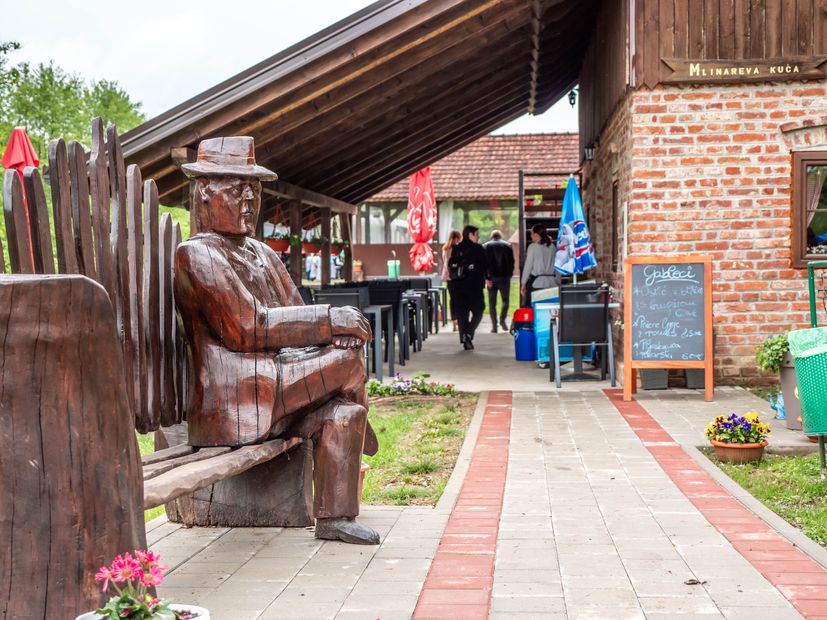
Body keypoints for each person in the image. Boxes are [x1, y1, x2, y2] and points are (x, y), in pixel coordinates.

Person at [174, 136, 379, 545]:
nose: (249, 199)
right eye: (236, 189)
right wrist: (329, 319)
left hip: (275, 385)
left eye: (254, 188)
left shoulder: (262, 254)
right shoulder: (198, 255)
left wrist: (327, 343)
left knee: (342, 411)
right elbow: (248, 328)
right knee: (348, 363)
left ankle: (335, 517)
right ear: (205, 193)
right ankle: (360, 420)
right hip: (237, 397)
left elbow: (292, 309)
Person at [448, 224, 487, 350]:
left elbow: (452, 266)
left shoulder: (456, 248)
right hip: (474, 287)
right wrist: (488, 278)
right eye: (477, 235)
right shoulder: (478, 248)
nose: (478, 237)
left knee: (462, 314)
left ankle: (465, 337)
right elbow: (485, 265)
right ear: (471, 235)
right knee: (479, 311)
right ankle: (469, 333)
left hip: (458, 287)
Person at [521, 224, 561, 306]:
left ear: (536, 235)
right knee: (550, 308)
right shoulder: (552, 247)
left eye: (531, 234)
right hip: (552, 283)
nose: (531, 236)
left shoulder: (532, 247)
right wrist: (558, 281)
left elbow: (528, 266)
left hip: (537, 283)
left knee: (534, 309)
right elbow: (557, 265)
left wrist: (523, 283)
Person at [483, 229, 515, 333]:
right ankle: (502, 320)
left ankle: (494, 326)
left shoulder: (485, 246)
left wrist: (486, 278)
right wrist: (509, 274)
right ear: (500, 236)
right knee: (505, 300)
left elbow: (483, 265)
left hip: (491, 278)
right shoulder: (507, 246)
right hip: (504, 278)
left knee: (492, 303)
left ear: (492, 236)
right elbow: (512, 262)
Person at [440, 230, 462, 332]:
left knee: (452, 300)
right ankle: (459, 321)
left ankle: (454, 321)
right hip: (458, 277)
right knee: (460, 299)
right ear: (458, 237)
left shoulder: (445, 248)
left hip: (449, 277)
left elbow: (445, 263)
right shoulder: (459, 248)